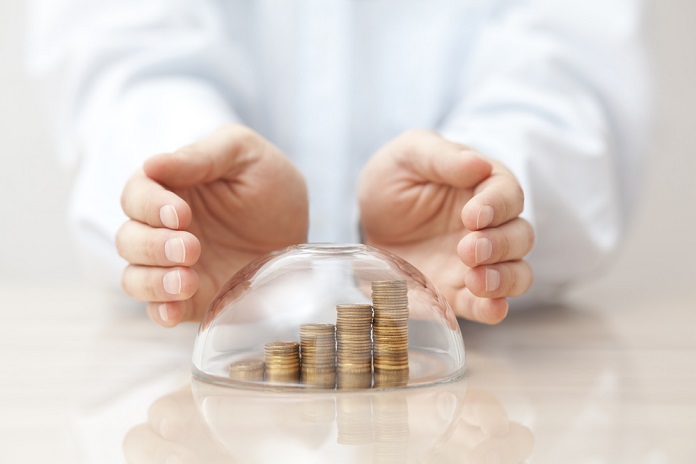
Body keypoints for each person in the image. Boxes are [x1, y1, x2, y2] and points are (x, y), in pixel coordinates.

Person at [27, 0, 650, 327]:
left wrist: (477, 192)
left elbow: (571, 63)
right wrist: (189, 195)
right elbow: (115, 49)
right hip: (180, 351)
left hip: (504, 353)